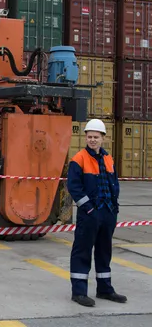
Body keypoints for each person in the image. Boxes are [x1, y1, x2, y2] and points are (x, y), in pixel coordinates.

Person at [67, 118, 127, 307]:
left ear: (103, 138)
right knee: (82, 251)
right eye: (89, 136)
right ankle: (79, 292)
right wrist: (90, 209)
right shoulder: (78, 159)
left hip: (108, 212)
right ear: (85, 137)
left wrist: (114, 209)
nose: (92, 140)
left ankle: (105, 289)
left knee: (104, 251)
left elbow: (114, 184)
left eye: (96, 137)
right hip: (90, 214)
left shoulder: (108, 158)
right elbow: (74, 188)